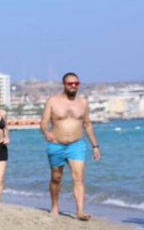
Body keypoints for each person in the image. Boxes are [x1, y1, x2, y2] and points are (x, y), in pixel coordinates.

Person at [40, 72, 100, 220]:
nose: (73, 86)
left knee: (78, 177)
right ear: (64, 85)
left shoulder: (83, 102)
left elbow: (87, 124)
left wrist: (95, 146)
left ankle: (80, 211)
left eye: (76, 83)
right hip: (56, 145)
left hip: (76, 145)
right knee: (56, 178)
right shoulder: (53, 101)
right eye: (70, 83)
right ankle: (54, 205)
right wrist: (46, 132)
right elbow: (43, 122)